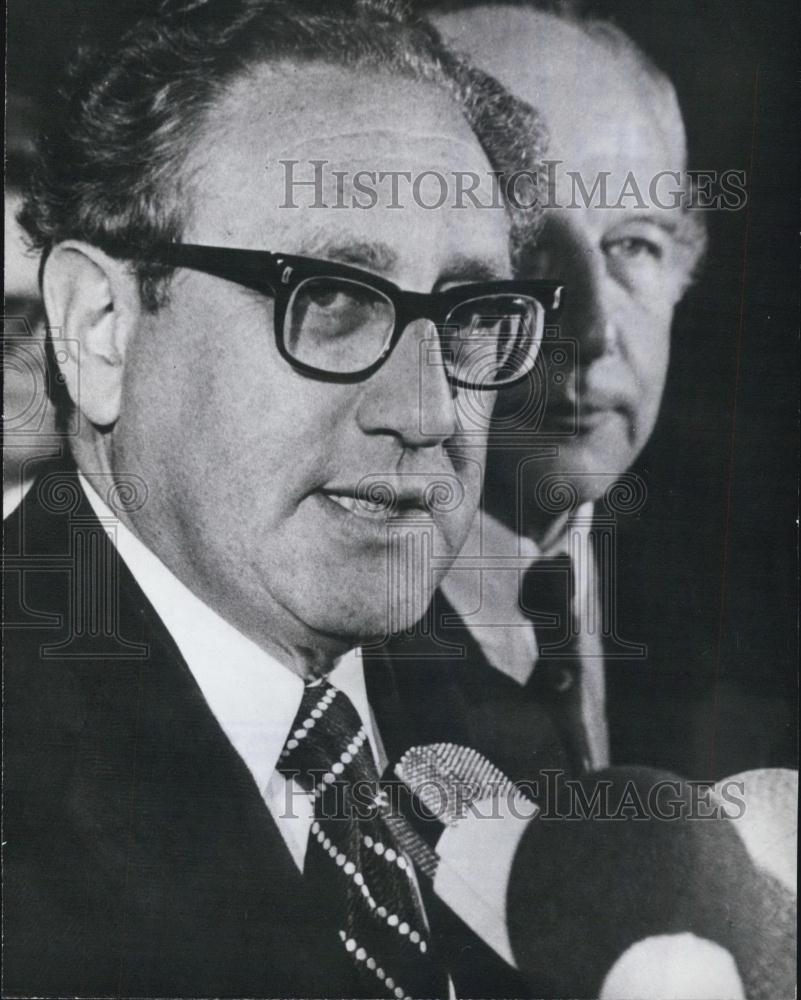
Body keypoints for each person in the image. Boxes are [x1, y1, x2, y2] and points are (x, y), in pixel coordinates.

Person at [3, 2, 553, 996]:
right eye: (332, 300)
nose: (428, 410)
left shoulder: (509, 748)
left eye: (470, 315)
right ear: (99, 330)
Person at [378, 2, 708, 783]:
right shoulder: (331, 630)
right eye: (526, 251)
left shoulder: (731, 593)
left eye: (634, 244)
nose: (594, 329)